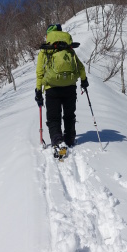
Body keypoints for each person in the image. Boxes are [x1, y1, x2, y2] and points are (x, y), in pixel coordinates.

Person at [34, 24, 89, 155]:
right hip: (70, 86)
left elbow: (40, 73)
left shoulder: (46, 50)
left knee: (53, 117)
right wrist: (84, 80)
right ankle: (69, 139)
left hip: (52, 88)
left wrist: (38, 90)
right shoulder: (68, 48)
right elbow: (80, 67)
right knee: (69, 115)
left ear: (48, 34)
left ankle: (58, 141)